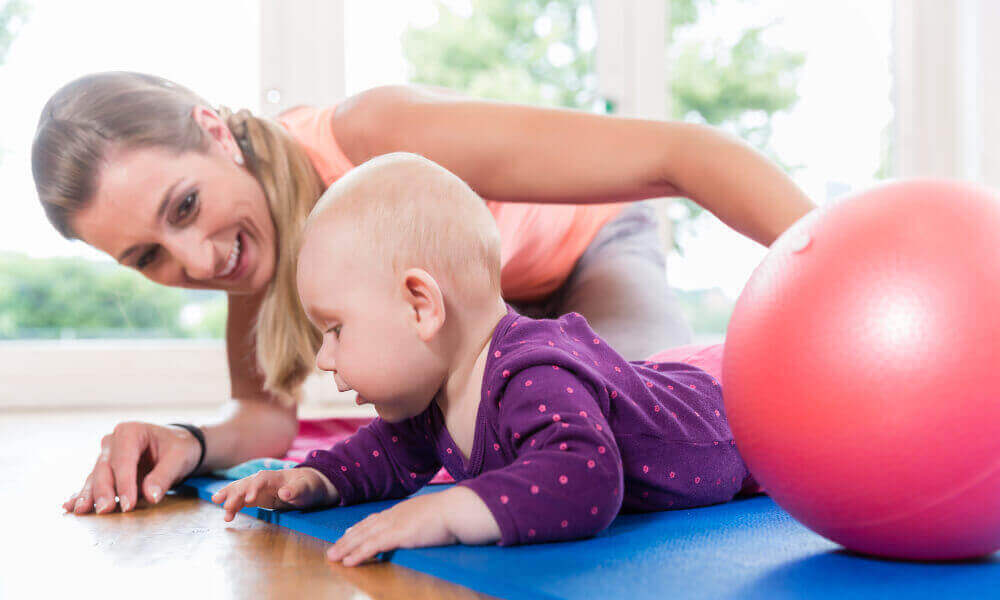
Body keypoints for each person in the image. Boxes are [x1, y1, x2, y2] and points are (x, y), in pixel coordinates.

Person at [32, 71, 812, 516]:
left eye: (184, 207)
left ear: (214, 130)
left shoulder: (375, 130)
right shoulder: (247, 256)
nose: (197, 262)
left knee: (631, 434)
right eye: (148, 257)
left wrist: (840, 257)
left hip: (584, 251)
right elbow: (267, 420)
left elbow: (683, 152)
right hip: (481, 324)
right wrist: (189, 442)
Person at [212, 153, 754, 564]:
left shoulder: (533, 371)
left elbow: (586, 476)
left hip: (744, 410)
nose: (325, 358)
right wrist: (308, 482)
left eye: (335, 329)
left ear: (420, 305)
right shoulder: (437, 393)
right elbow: (381, 457)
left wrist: (448, 511)